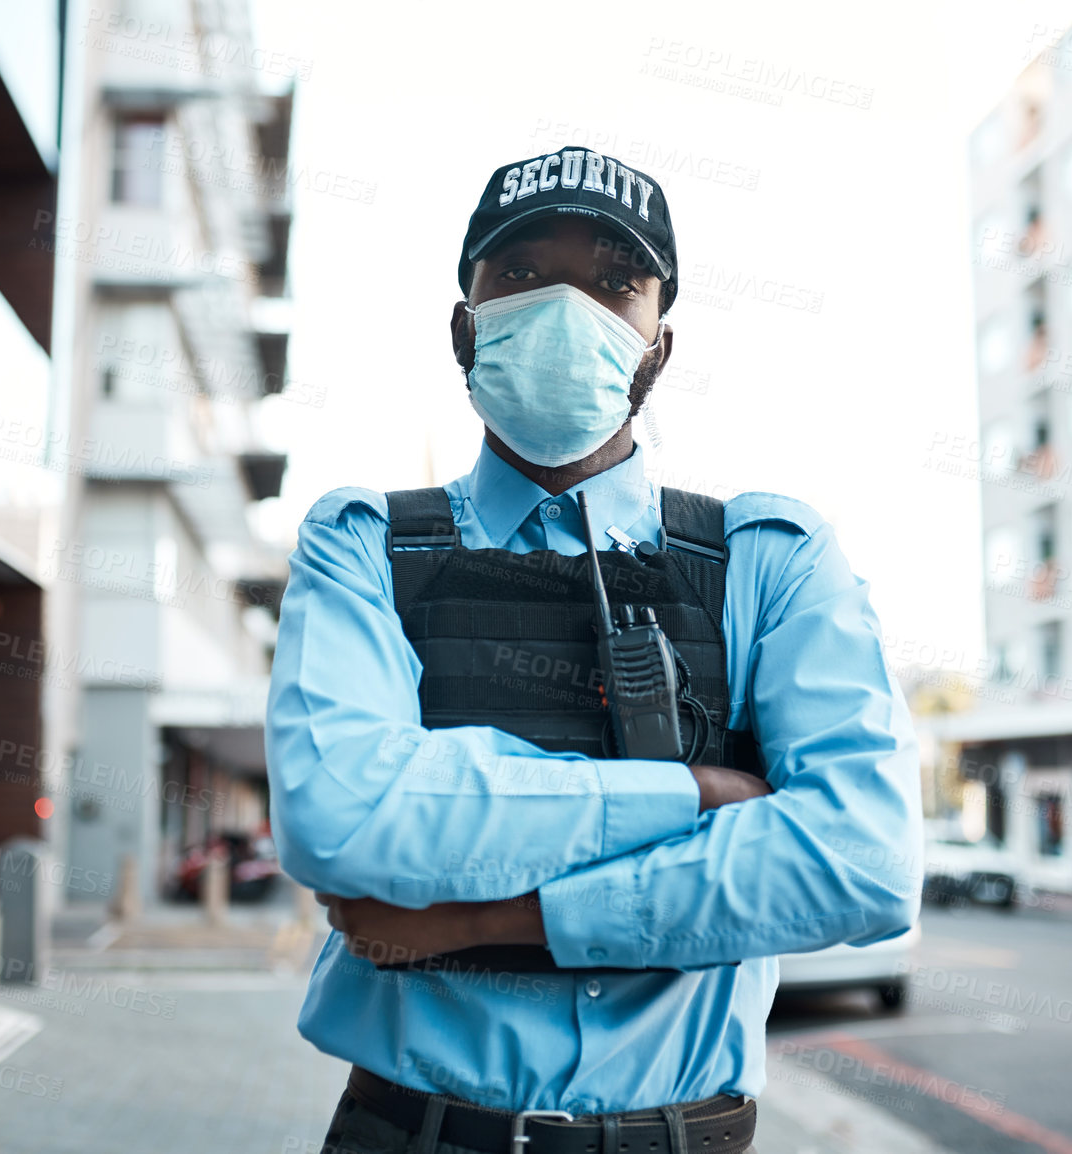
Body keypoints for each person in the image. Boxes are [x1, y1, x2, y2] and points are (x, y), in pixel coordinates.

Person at [266, 148, 923, 1154]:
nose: (565, 309)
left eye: (614, 283)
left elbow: (858, 865)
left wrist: (492, 916)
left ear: (656, 347)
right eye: (522, 273)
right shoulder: (364, 543)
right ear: (463, 324)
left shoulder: (767, 560)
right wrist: (696, 796)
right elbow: (347, 819)